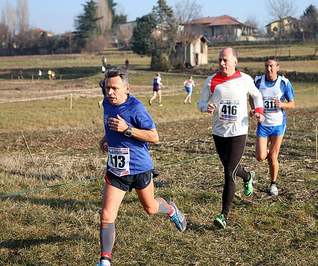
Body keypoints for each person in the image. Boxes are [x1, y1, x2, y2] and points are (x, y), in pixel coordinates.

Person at [96, 67, 186, 266]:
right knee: (106, 214)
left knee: (151, 208)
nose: (109, 92)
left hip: (139, 168)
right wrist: (105, 138)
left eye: (114, 88)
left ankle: (171, 210)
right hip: (116, 170)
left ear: (127, 88)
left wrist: (127, 130)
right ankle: (105, 261)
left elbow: (154, 137)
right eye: (107, 87)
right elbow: (110, 124)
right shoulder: (106, 103)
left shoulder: (136, 107)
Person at [197, 47, 265, 229]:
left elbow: (257, 95)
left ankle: (223, 215)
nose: (222, 63)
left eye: (225, 60)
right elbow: (200, 103)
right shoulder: (211, 80)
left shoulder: (245, 79)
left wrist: (258, 111)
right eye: (219, 60)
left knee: (228, 173)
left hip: (238, 132)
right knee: (231, 168)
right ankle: (248, 176)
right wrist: (206, 107)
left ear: (235, 61)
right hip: (219, 133)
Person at [250, 56, 295, 196]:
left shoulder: (284, 82)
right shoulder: (258, 81)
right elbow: (251, 96)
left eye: (271, 66)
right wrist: (255, 109)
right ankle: (267, 152)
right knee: (260, 157)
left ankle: (273, 184)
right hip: (263, 124)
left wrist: (282, 104)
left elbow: (292, 104)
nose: (269, 69)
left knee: (273, 156)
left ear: (277, 67)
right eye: (266, 66)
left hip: (278, 125)